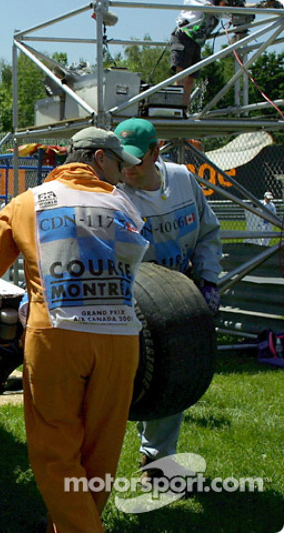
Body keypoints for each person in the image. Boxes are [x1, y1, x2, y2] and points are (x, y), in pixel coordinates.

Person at [0, 127, 147, 532]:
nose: (122, 174)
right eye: (118, 163)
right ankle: (69, 523)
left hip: (57, 336)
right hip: (121, 338)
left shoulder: (28, 203)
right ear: (98, 158)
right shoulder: (123, 205)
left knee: (55, 450)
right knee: (102, 450)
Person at [113, 117, 222, 483]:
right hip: (134, 297)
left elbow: (208, 232)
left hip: (181, 291)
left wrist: (208, 280)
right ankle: (99, 462)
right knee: (128, 379)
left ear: (155, 151)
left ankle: (157, 460)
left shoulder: (182, 179)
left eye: (135, 161)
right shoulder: (115, 194)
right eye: (121, 161)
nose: (127, 169)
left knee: (173, 372)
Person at [169, 0, 245, 107]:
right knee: (181, 76)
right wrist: (229, 6)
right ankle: (176, 108)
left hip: (196, 42)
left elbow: (227, 11)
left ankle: (184, 110)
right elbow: (210, 9)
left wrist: (259, 6)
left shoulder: (216, 3)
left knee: (190, 80)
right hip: (184, 36)